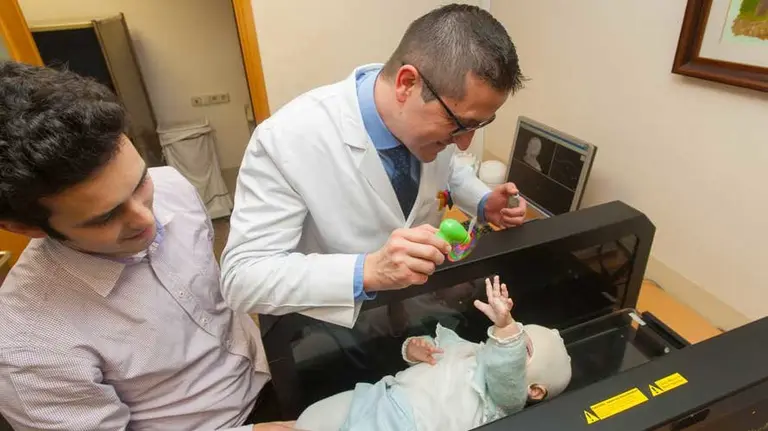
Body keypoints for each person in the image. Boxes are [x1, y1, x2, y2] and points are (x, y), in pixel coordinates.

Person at [0, 61, 294, 430]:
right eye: (105, 217)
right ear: (26, 228)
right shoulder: (28, 342)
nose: (146, 219)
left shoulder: (171, 186)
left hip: (268, 365)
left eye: (140, 183)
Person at [221, 4, 529, 328]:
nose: (464, 143)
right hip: (338, 326)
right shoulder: (286, 139)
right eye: (459, 124)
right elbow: (241, 278)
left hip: (418, 308)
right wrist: (368, 270)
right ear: (407, 83)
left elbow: (448, 171)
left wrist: (482, 201)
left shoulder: (434, 125)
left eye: (479, 125)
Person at [294, 276, 572, 431]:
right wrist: (415, 348)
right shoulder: (471, 350)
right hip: (382, 394)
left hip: (408, 424)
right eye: (514, 336)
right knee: (312, 418)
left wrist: (507, 329)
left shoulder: (503, 402)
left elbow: (506, 374)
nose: (506, 341)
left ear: (534, 390)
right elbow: (436, 352)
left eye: (520, 346)